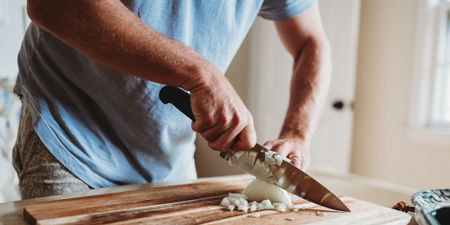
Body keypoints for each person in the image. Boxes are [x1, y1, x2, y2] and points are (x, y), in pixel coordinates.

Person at [13, 0, 330, 200]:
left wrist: (296, 134)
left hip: (170, 160)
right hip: (72, 141)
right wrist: (201, 74)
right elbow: (53, 5)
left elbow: (310, 42)